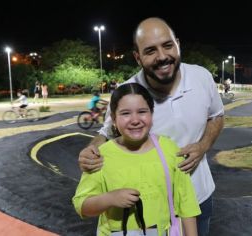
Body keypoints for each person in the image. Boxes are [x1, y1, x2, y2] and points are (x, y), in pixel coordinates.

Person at [78, 17, 224, 236]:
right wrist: (91, 150)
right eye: (150, 51)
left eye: (167, 45)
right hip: (150, 207)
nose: (162, 57)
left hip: (198, 195)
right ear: (138, 57)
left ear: (177, 44)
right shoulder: (129, 93)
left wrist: (203, 145)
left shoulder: (201, 77)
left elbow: (216, 116)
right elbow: (107, 132)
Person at [73, 83, 200, 236]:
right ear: (113, 118)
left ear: (152, 114)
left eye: (142, 112)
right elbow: (82, 206)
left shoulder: (170, 149)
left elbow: (187, 203)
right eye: (125, 113)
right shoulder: (101, 156)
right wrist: (110, 198)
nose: (135, 120)